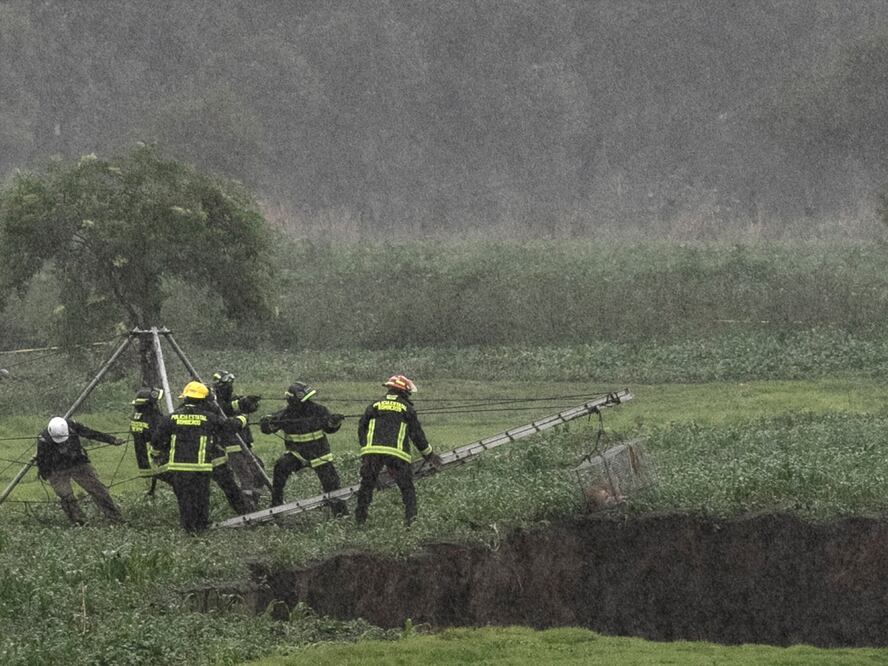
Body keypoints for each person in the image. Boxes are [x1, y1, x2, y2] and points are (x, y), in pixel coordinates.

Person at [152, 381, 248, 533]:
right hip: (200, 468)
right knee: (201, 498)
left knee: (185, 499)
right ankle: (201, 528)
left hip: (178, 468)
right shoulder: (208, 418)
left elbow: (157, 441)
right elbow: (229, 427)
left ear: (185, 398)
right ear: (204, 399)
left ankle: (189, 530)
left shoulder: (172, 418)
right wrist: (242, 419)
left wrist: (158, 455)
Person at [355, 375, 442, 527]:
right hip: (396, 454)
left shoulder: (374, 405)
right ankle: (411, 523)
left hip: (372, 453)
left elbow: (362, 427)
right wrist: (429, 455)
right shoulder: (406, 408)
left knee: (366, 487)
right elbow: (417, 435)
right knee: (407, 488)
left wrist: (366, 448)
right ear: (404, 392)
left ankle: (359, 522)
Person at [259, 381, 348, 517]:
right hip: (296, 455)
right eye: (304, 400)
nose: (308, 403)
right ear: (292, 400)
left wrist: (334, 422)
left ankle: (341, 513)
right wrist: (265, 423)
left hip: (319, 455)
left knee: (332, 484)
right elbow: (269, 428)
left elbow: (330, 429)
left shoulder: (319, 410)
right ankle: (276, 506)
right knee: (280, 468)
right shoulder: (284, 415)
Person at [35, 416, 125, 525]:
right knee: (66, 496)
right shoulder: (43, 439)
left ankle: (116, 519)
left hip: (77, 462)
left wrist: (111, 440)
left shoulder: (72, 425)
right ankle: (80, 523)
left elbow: (90, 433)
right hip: (57, 468)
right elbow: (41, 459)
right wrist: (46, 474)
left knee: (98, 490)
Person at [211, 370, 264, 508]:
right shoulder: (214, 402)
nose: (230, 386)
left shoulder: (231, 398)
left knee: (259, 470)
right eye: (227, 383)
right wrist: (242, 411)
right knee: (247, 476)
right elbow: (226, 409)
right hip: (231, 446)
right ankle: (247, 506)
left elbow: (239, 405)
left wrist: (249, 402)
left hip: (244, 443)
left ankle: (254, 501)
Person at [129, 387, 172, 491]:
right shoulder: (154, 418)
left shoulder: (135, 417)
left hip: (144, 462)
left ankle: (151, 491)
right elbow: (163, 436)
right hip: (157, 459)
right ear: (150, 404)